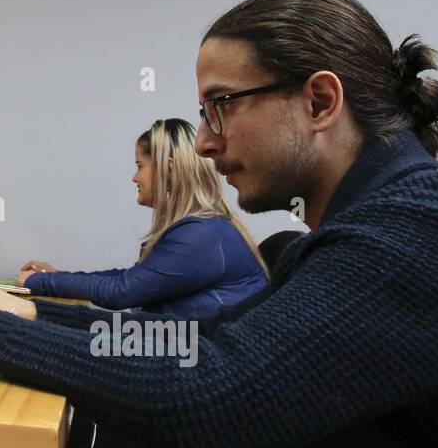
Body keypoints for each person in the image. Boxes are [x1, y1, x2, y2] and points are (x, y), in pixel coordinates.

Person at [0, 0, 438, 448]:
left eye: (220, 104)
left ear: (320, 102)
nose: (204, 140)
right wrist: (32, 312)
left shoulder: (426, 229)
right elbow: (205, 340)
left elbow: (213, 396)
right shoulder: (371, 227)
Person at [15, 117, 267, 319]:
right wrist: (58, 276)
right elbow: (130, 279)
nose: (134, 178)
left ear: (168, 169)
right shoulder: (203, 227)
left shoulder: (202, 234)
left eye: (139, 166)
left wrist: (41, 281)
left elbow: (122, 291)